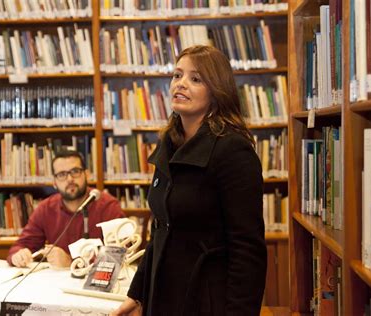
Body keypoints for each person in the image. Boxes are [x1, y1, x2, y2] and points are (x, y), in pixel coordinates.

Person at [111, 45, 267, 316]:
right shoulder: (169, 143)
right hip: (162, 295)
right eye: (177, 75)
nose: (181, 84)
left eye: (195, 79)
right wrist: (137, 294)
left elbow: (247, 250)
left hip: (206, 300)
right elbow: (160, 229)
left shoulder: (232, 150)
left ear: (217, 92)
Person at [7, 150, 125, 269]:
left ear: (87, 174)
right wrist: (19, 255)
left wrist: (71, 262)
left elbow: (119, 255)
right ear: (54, 182)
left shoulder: (108, 206)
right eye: (62, 174)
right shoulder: (46, 209)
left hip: (98, 282)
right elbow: (21, 245)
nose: (69, 179)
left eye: (75, 171)